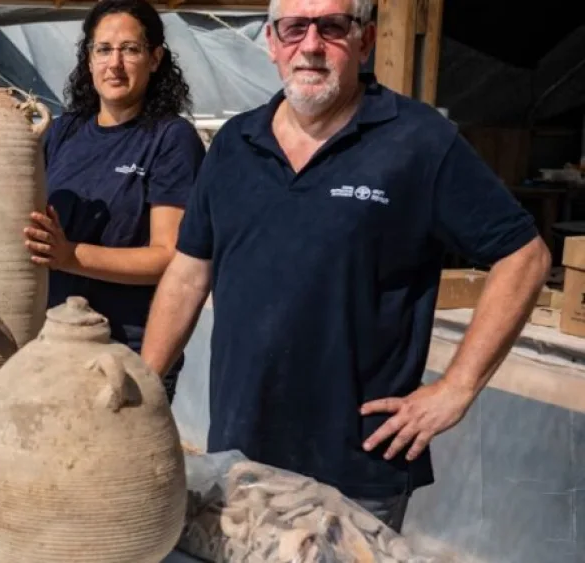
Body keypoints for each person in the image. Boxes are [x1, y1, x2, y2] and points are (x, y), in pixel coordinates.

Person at [139, 0, 551, 532]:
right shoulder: (234, 146)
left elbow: (524, 255)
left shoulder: (419, 141)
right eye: (294, 28)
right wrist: (146, 384)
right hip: (241, 454)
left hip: (358, 469)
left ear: (366, 39)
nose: (310, 45)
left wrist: (457, 388)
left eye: (332, 27)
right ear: (271, 42)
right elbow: (189, 272)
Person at [0, 0, 205, 402]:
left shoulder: (171, 139)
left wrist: (70, 255)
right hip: (48, 341)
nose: (115, 63)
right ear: (88, 60)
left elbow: (170, 257)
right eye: (103, 49)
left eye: (131, 49)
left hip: (125, 350)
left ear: (155, 58)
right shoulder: (63, 133)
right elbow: (17, 218)